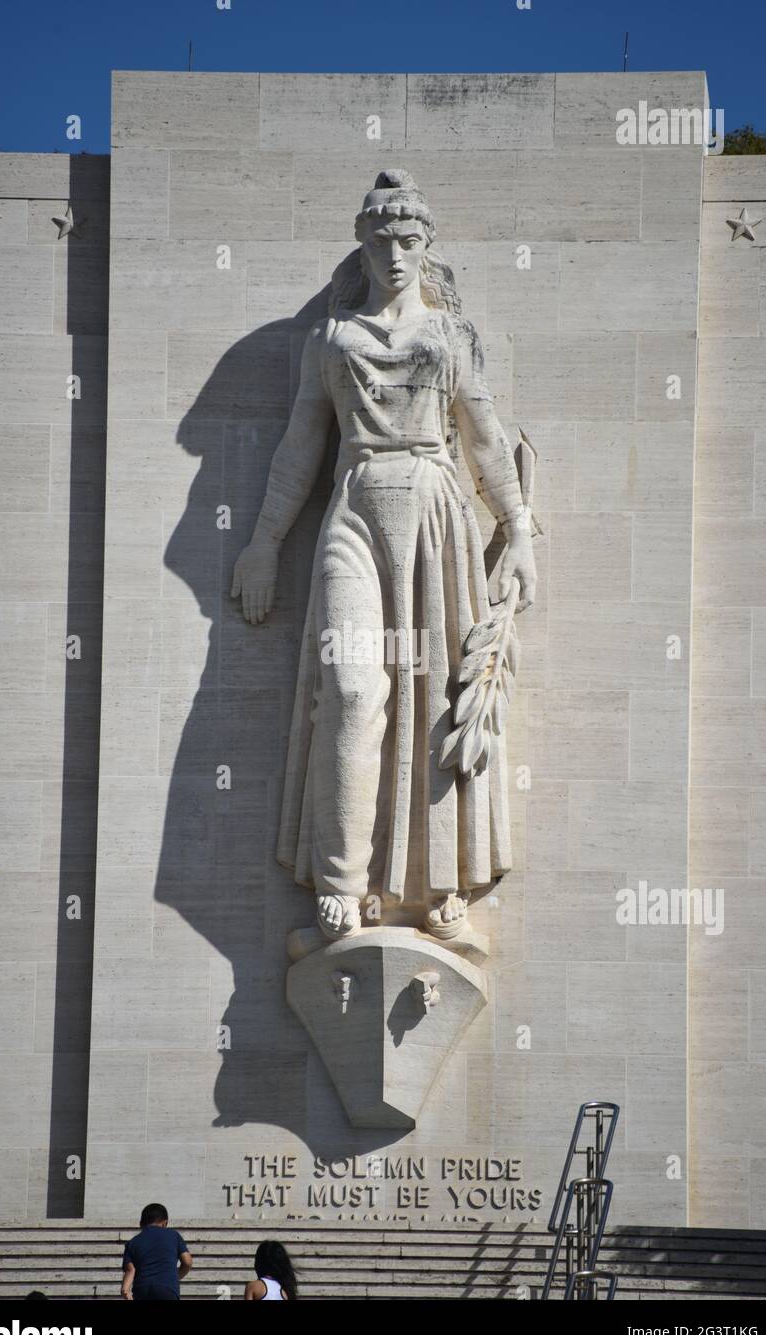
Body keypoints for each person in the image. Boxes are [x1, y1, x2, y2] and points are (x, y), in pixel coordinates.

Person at [232, 169, 536, 942]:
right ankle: (338, 886)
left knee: (436, 697)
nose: (394, 254)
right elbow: (300, 446)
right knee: (354, 689)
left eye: (407, 240)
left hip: (436, 509)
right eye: (379, 240)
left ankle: (440, 891)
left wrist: (521, 531)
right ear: (361, 246)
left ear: (424, 246)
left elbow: (485, 440)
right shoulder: (330, 339)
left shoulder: (451, 336)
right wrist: (263, 544)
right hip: (356, 509)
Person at [120, 1203, 193, 1301]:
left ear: (141, 1224)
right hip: (167, 1289)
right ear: (164, 1223)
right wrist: (176, 1276)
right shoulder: (173, 1235)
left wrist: (125, 1289)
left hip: (142, 1290)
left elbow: (130, 1270)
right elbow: (187, 1262)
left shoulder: (132, 1242)